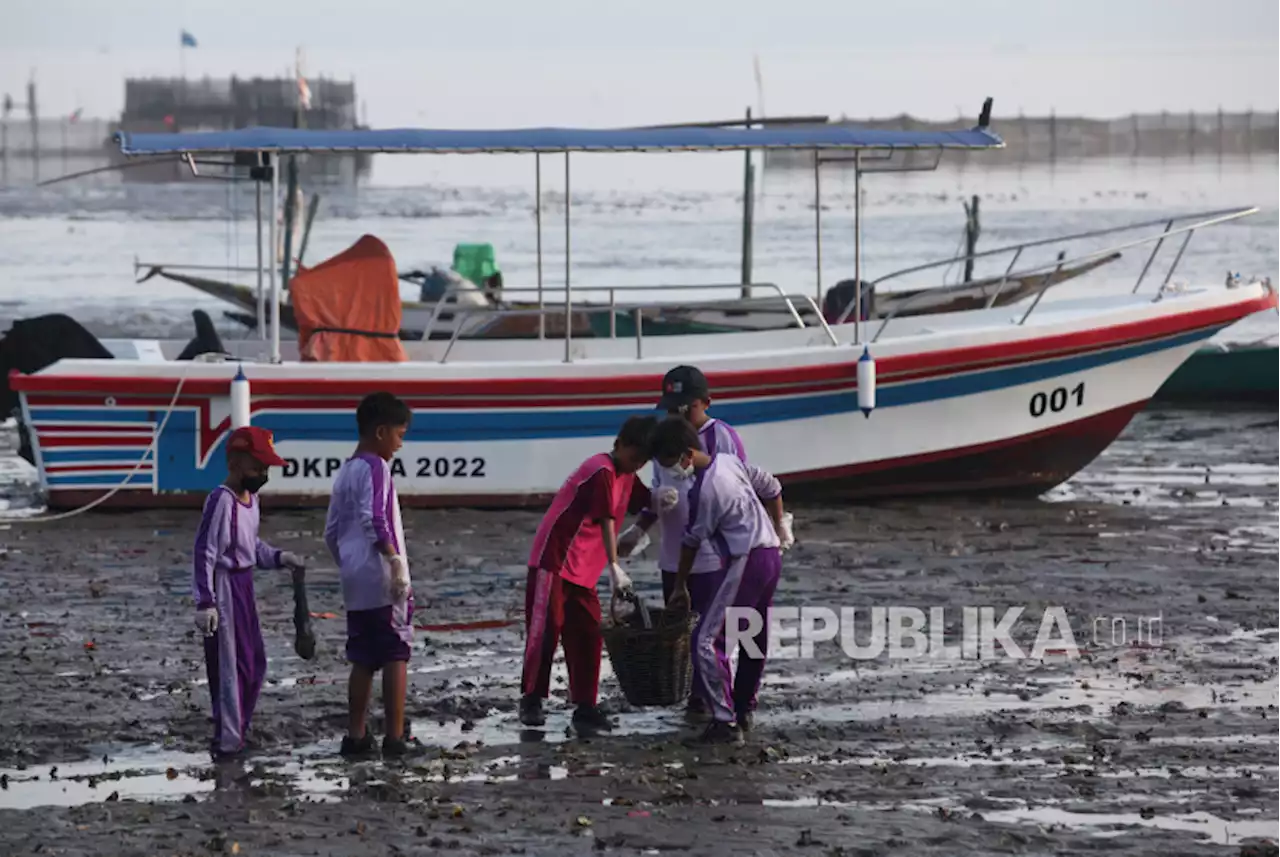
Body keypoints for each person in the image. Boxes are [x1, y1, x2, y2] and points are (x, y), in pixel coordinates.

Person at [649, 415, 792, 745]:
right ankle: (743, 706)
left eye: (672, 464)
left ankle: (724, 720)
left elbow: (691, 540)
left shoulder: (705, 490)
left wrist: (681, 585)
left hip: (747, 558)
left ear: (687, 455)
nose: (672, 472)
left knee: (706, 641)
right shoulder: (730, 462)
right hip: (770, 552)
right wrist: (779, 526)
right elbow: (771, 486)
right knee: (753, 633)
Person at [617, 364, 748, 719]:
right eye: (672, 407)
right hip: (673, 554)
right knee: (680, 628)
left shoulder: (722, 437)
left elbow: (740, 489)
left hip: (710, 554)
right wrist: (640, 529)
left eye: (685, 407)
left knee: (712, 631)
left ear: (705, 403)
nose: (678, 414)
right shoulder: (664, 440)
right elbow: (659, 493)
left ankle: (718, 697)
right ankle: (696, 691)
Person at [519, 414, 658, 736]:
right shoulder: (602, 470)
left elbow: (647, 504)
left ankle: (585, 705)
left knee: (588, 634)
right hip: (554, 560)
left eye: (643, 462)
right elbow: (606, 519)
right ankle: (531, 698)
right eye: (634, 457)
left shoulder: (627, 476)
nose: (636, 465)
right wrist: (614, 565)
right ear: (620, 444)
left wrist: (654, 514)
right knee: (546, 630)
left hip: (584, 569)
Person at [192, 425, 304, 760]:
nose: (263, 474)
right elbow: (205, 552)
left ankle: (239, 726)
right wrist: (205, 601)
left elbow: (251, 545)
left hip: (245, 586)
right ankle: (228, 742)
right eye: (257, 467)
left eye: (266, 468)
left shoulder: (251, 501)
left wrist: (279, 557)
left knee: (254, 663)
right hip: (224, 589)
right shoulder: (221, 501)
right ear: (236, 463)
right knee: (230, 668)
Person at [323, 392, 419, 759]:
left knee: (362, 656)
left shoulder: (346, 470)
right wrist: (394, 560)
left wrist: (347, 564)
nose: (399, 444)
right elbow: (375, 518)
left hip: (355, 578)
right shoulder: (376, 467)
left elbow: (330, 532)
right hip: (382, 574)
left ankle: (357, 735)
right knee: (396, 651)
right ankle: (395, 738)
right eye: (399, 435)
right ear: (381, 432)